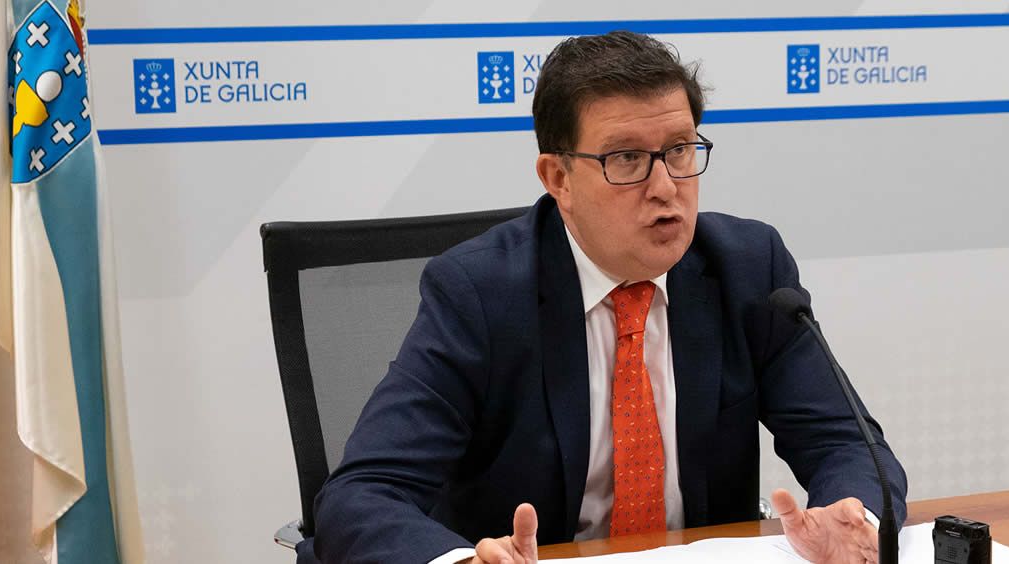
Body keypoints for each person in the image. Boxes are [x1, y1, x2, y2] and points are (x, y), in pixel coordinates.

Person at [305, 31, 907, 564]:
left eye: (679, 149)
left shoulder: (749, 268)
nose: (665, 186)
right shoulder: (480, 293)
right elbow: (362, 495)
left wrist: (855, 521)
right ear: (558, 179)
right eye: (627, 158)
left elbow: (847, 443)